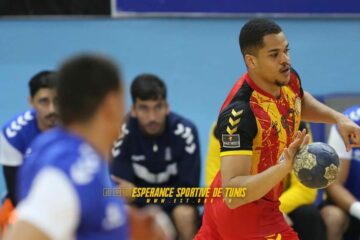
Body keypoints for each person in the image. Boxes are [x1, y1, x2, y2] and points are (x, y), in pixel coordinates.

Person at [195, 18, 360, 240]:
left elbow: (299, 101)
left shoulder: (287, 79)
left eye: (286, 50)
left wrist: (337, 118)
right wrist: (284, 167)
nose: (285, 60)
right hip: (244, 211)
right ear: (251, 61)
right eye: (274, 54)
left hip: (253, 203)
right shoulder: (240, 114)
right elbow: (233, 193)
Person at [5, 55, 171, 240]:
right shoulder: (70, 169)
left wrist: (129, 225)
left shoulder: (60, 147)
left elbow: (81, 214)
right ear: (111, 104)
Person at [111, 73, 201, 240]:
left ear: (167, 107)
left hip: (174, 207)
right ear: (134, 111)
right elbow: (121, 193)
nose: (152, 117)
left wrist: (138, 193)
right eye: (144, 108)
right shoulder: (120, 133)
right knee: (122, 210)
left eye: (158, 107)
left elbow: (188, 194)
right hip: (139, 208)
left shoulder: (185, 132)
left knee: (185, 213)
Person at [204, 121, 326, 240]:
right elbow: (215, 187)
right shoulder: (225, 126)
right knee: (211, 219)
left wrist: (275, 210)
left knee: (309, 216)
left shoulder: (298, 125)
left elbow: (305, 189)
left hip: (282, 203)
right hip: (240, 204)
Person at [0, 71, 57, 232]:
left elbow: (107, 190)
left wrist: (135, 193)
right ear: (31, 102)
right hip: (27, 201)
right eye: (44, 101)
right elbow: (16, 194)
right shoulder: (13, 134)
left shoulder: (81, 129)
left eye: (58, 101)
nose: (52, 109)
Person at [321, 104, 360, 240]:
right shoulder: (349, 122)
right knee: (333, 217)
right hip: (349, 205)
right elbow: (334, 184)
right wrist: (358, 210)